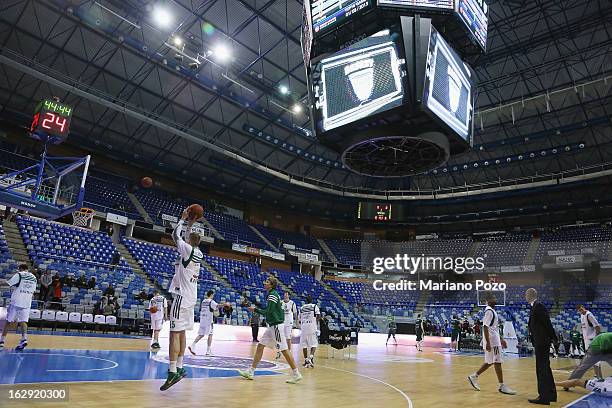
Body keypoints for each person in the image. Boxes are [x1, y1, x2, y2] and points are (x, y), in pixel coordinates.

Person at [160, 207, 203, 391]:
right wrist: (190, 225)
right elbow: (185, 240)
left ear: (190, 242)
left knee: (173, 334)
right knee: (183, 332)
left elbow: (175, 236)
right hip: (191, 298)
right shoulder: (198, 253)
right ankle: (180, 366)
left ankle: (171, 372)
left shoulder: (186, 249)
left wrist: (183, 219)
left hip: (181, 297)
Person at [238, 276, 302, 384]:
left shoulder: (272, 295)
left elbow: (269, 311)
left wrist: (255, 309)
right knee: (260, 346)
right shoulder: (273, 295)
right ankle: (251, 371)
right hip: (272, 326)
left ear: (271, 285)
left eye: (267, 282)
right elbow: (269, 310)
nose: (264, 283)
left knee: (284, 350)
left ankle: (296, 373)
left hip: (276, 326)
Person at [467, 292, 517, 395]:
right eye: (493, 297)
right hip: (493, 341)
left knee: (490, 362)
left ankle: (474, 376)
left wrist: (501, 339)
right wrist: (489, 343)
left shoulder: (491, 311)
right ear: (488, 300)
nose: (496, 299)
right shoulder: (489, 311)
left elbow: (493, 328)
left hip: (494, 339)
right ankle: (502, 386)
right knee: (497, 362)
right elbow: (485, 327)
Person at [526, 288, 558, 405]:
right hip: (540, 342)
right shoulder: (535, 307)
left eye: (526, 294)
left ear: (530, 295)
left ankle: (544, 397)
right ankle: (550, 395)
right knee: (545, 369)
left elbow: (547, 323)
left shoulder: (539, 306)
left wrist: (554, 338)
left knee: (542, 369)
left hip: (542, 342)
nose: (525, 297)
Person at [0, 264, 37, 351]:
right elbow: (33, 292)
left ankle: (2, 341)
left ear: (20, 269)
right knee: (23, 321)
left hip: (16, 301)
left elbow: (8, 283)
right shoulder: (34, 278)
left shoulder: (19, 274)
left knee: (8, 321)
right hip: (27, 302)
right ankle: (24, 338)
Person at [189, 290, 222, 356]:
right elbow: (217, 306)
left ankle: (193, 345)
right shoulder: (211, 301)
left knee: (201, 334)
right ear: (212, 294)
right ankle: (208, 351)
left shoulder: (203, 301)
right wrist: (225, 304)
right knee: (210, 334)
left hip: (202, 320)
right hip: (209, 321)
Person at [299, 295, 320, 368]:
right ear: (312, 300)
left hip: (304, 327)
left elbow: (299, 319)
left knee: (304, 345)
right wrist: (315, 322)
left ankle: (305, 360)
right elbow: (318, 315)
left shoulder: (302, 308)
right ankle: (311, 358)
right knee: (314, 344)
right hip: (312, 327)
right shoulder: (314, 306)